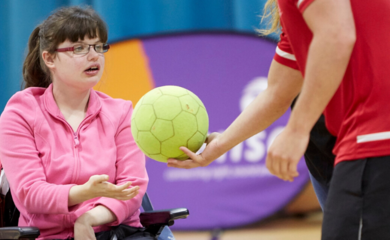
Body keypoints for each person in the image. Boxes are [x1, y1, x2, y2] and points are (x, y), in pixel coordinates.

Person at [168, 0, 390, 239]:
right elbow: (277, 92)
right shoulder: (301, 19)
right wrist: (218, 147)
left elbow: (336, 37)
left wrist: (297, 130)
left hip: (375, 134)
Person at [0, 6, 155, 240]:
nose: (94, 56)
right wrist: (83, 193)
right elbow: (29, 193)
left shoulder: (121, 112)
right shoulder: (20, 112)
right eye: (79, 48)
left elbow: (131, 189)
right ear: (50, 58)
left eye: (98, 46)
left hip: (115, 231)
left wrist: (89, 219)